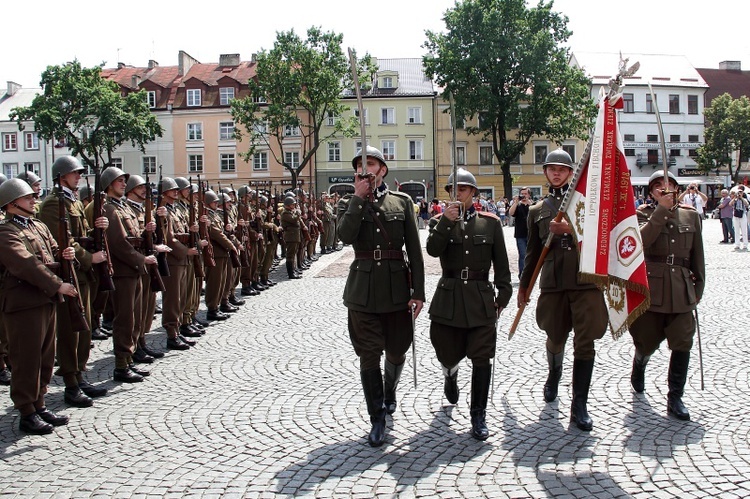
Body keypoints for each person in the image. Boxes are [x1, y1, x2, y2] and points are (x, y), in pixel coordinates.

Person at [337, 146, 425, 447]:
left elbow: (414, 250)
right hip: (362, 292)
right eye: (359, 166)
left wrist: (418, 293)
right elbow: (345, 236)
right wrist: (359, 198)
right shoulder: (348, 202)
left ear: (382, 169)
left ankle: (390, 392)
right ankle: (376, 418)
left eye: (371, 164)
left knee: (397, 350)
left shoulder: (401, 202)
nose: (365, 170)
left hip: (397, 289)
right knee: (369, 353)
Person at [518, 149, 608, 432]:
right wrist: (523, 286)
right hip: (554, 284)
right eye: (552, 169)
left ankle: (579, 405)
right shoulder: (537, 211)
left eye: (562, 169)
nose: (556, 173)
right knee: (555, 338)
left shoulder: (587, 205)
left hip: (585, 282)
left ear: (571, 173)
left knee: (586, 341)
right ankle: (554, 373)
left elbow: (601, 239)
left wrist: (571, 229)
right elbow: (531, 254)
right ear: (545, 173)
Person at [426, 168, 512, 440]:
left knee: (482, 358)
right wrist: (446, 223)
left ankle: (478, 414)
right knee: (446, 352)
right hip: (448, 298)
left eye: (463, 189)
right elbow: (432, 250)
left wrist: (504, 293)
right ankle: (450, 373)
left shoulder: (490, 222)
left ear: (473, 193)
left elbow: (501, 263)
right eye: (453, 190)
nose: (457, 194)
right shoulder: (439, 221)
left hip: (480, 298)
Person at [0, 178, 77, 434]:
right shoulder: (6, 231)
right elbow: (26, 265)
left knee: (45, 356)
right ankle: (26, 411)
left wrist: (65, 255)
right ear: (12, 204)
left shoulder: (38, 226)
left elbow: (53, 251)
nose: (34, 199)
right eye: (28, 198)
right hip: (23, 304)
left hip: (43, 300)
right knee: (26, 358)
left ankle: (40, 403)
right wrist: (57, 285)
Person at [629, 171, 705, 421]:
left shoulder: (691, 215)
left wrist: (697, 289)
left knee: (683, 341)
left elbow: (697, 256)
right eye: (658, 186)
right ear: (651, 192)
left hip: (682, 290)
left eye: (670, 184)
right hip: (652, 289)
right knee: (646, 340)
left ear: (677, 188)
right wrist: (661, 210)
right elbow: (642, 240)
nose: (665, 188)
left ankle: (675, 397)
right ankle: (640, 361)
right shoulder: (642, 214)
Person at [37, 156, 110, 407]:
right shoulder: (52, 204)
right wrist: (90, 257)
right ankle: (70, 380)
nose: (78, 176)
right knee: (70, 328)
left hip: (82, 273)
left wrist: (98, 227)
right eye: (74, 173)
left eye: (79, 173)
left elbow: (80, 234)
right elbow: (63, 241)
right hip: (71, 272)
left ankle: (79, 374)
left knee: (85, 327)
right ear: (61, 176)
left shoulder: (73, 202)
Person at [101, 167, 156, 382]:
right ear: (108, 184)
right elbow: (118, 244)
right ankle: (121, 365)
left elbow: (133, 236)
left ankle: (130, 358)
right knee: (124, 319)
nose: (124, 184)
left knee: (135, 317)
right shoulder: (109, 209)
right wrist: (141, 260)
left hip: (133, 269)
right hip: (123, 271)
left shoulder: (122, 207)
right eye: (119, 181)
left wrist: (147, 233)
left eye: (125, 180)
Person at [508, 187, 532, 279]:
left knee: (531, 255)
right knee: (522, 255)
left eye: (526, 194)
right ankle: (522, 275)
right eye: (522, 194)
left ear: (529, 195)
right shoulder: (517, 206)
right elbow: (511, 213)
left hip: (531, 234)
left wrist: (529, 203)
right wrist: (516, 202)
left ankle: (530, 274)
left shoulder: (532, 205)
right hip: (520, 234)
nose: (524, 196)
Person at [731, 186, 749, 251]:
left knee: (744, 230)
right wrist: (735, 198)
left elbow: (747, 204)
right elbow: (730, 204)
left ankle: (745, 245)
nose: (739, 193)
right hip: (736, 215)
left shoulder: (744, 199)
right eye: (738, 192)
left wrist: (741, 198)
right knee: (737, 231)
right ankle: (737, 244)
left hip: (743, 215)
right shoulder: (735, 199)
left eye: (741, 192)